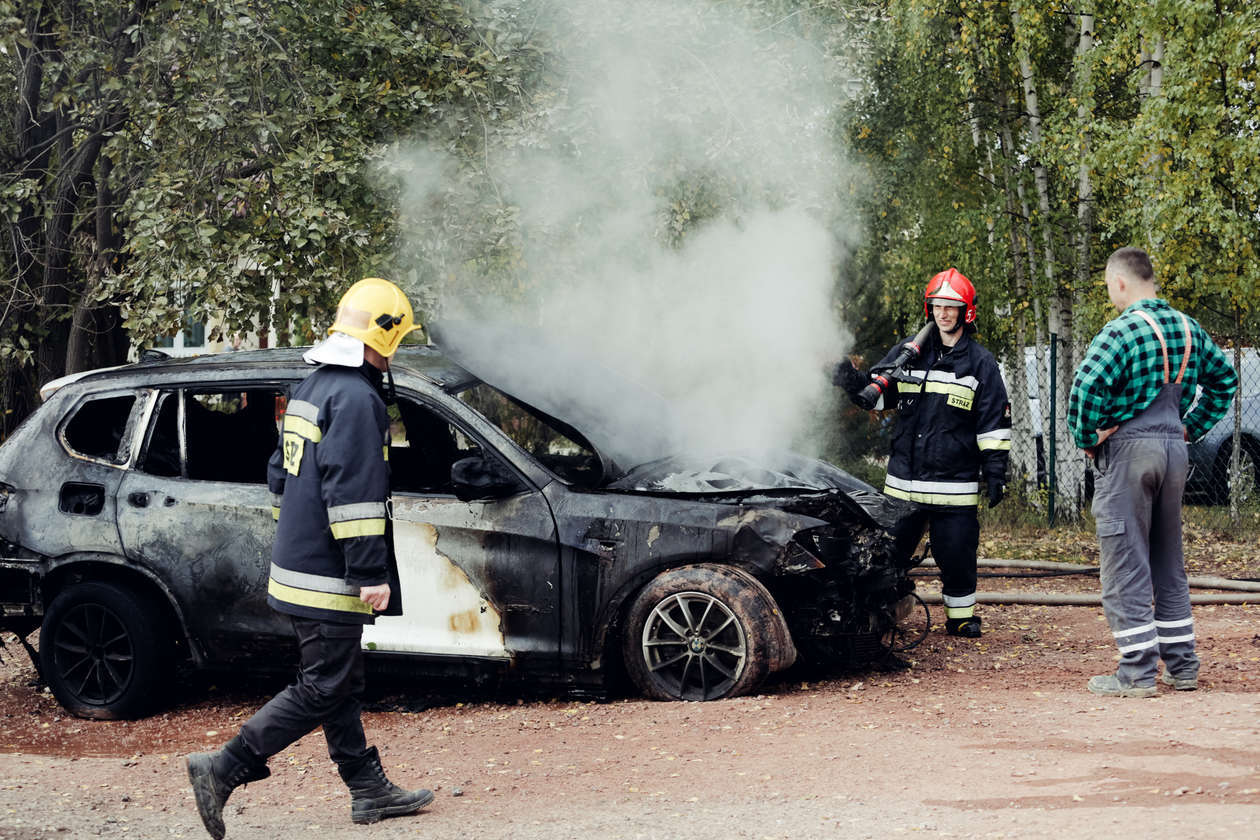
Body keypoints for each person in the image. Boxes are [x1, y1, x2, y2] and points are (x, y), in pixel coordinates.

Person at [186, 277, 431, 839]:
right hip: (328, 578)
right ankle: (224, 767)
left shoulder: (313, 386)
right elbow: (355, 496)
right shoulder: (359, 399)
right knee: (324, 685)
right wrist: (370, 573)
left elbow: (279, 472)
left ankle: (367, 788)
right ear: (386, 337)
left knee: (338, 680)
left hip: (297, 568)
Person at [1068, 247, 1237, 698]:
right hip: (1172, 453)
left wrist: (1088, 438)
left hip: (1128, 453)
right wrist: (1188, 429)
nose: (1110, 295)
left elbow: (1086, 386)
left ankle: (1136, 673)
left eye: (1109, 287)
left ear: (1120, 282)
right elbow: (1225, 380)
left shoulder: (1120, 332)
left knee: (1126, 561)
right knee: (1167, 561)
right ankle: (1182, 667)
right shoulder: (1188, 328)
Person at [833, 268, 1011, 638]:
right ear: (929, 309)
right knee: (887, 558)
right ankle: (876, 618)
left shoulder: (980, 363)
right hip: (904, 487)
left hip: (955, 487)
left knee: (958, 556)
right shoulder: (906, 354)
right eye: (938, 306)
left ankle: (961, 618)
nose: (944, 314)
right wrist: (850, 379)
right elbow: (878, 395)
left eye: (952, 307)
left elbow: (993, 423)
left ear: (966, 312)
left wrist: (996, 472)